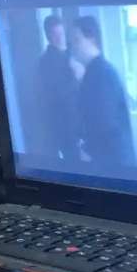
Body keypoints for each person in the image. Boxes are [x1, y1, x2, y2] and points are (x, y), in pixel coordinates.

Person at [71, 16, 136, 168]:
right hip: (112, 160)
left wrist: (88, 151)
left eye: (76, 40)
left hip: (113, 164)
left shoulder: (100, 73)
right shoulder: (94, 71)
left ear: (92, 38)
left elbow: (105, 122)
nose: (73, 46)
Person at [36, 15, 79, 163]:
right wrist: (76, 77)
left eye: (61, 33)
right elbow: (56, 95)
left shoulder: (73, 51)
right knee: (74, 162)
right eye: (55, 35)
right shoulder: (46, 62)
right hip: (66, 125)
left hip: (82, 122)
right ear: (48, 37)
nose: (60, 38)